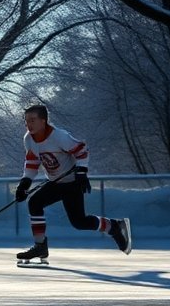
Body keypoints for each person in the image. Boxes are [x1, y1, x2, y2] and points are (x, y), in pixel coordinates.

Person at [14, 104, 131, 264]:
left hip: (72, 183)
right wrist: (24, 184)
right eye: (26, 121)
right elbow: (32, 162)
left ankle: (114, 226)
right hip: (55, 182)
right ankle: (40, 246)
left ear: (43, 121)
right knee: (34, 202)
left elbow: (82, 151)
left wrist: (82, 172)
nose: (29, 124)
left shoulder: (59, 136)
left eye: (33, 120)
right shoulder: (29, 139)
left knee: (79, 222)